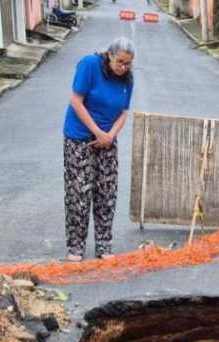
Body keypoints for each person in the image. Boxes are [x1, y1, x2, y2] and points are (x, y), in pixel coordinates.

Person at [63, 38, 134, 261]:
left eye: (128, 63)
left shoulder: (127, 80)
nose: (124, 67)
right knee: (79, 194)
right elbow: (76, 101)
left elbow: (123, 112)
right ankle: (76, 247)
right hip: (80, 138)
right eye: (120, 62)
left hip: (107, 141)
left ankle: (104, 245)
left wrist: (110, 135)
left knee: (106, 193)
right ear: (110, 55)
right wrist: (97, 132)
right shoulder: (89, 65)